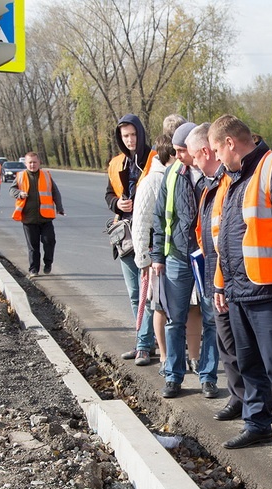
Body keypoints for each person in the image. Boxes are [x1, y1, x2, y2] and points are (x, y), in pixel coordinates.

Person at [208, 115, 272, 472]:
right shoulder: (231, 178)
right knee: (249, 365)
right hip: (238, 290)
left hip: (270, 292)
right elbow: (223, 239)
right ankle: (256, 425)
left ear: (230, 143)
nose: (217, 157)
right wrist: (221, 284)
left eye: (218, 150)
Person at [152, 122, 220, 400]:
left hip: (207, 260)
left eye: (182, 150)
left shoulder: (215, 174)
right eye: (177, 150)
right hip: (178, 258)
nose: (178, 155)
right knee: (174, 319)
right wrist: (157, 256)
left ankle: (208, 377)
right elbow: (160, 218)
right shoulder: (172, 175)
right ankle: (173, 376)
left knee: (211, 319)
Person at [187, 123, 243, 421]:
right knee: (227, 343)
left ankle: (258, 399)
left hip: (233, 279)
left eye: (196, 156)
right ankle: (239, 397)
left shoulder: (229, 181)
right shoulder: (209, 183)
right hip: (214, 276)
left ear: (207, 151)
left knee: (243, 345)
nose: (194, 163)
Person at [106, 114, 157, 362]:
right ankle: (142, 341)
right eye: (125, 136)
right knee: (135, 293)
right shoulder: (116, 163)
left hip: (149, 235)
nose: (129, 140)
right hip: (125, 237)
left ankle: (146, 345)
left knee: (148, 293)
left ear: (141, 133)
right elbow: (108, 195)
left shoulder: (155, 159)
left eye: (133, 134)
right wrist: (118, 204)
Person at [132, 133, 176, 368]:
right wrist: (143, 258)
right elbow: (140, 221)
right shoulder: (152, 180)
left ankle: (166, 350)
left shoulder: (176, 175)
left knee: (165, 304)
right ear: (169, 155)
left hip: (171, 252)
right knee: (152, 303)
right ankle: (145, 346)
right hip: (153, 251)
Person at [10, 152, 65, 278]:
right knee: (33, 247)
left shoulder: (46, 175)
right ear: (26, 163)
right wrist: (19, 193)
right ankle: (33, 269)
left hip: (45, 217)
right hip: (29, 218)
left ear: (39, 163)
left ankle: (48, 263)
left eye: (34, 162)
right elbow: (11, 190)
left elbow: (55, 192)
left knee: (49, 241)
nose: (32, 165)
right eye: (30, 162)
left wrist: (59, 207)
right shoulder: (21, 176)